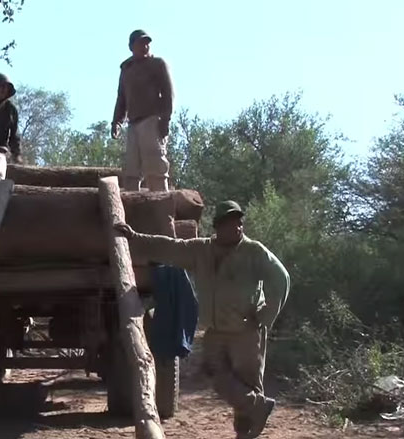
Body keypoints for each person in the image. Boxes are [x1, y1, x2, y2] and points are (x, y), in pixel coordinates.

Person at [115, 200, 290, 438]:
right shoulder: (201, 250)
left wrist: (266, 315)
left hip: (246, 332)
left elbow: (281, 279)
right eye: (231, 223)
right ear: (218, 226)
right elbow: (170, 247)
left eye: (240, 223)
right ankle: (258, 406)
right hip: (216, 331)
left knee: (247, 382)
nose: (237, 228)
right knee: (212, 373)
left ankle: (244, 432)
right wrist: (135, 237)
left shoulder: (254, 251)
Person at [111, 29, 174, 192]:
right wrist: (116, 122)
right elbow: (121, 98)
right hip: (133, 124)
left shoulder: (157, 64)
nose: (145, 46)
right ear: (131, 46)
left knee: (155, 168)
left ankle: (161, 208)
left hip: (152, 121)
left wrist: (165, 121)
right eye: (141, 43)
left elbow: (169, 94)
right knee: (131, 171)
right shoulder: (126, 69)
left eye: (147, 43)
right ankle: (132, 209)